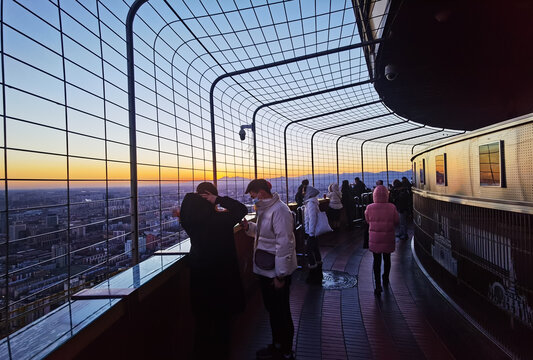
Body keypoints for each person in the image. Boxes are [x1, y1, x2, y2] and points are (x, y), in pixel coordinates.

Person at [179, 182, 248, 360]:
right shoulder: (220, 221)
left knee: (202, 324)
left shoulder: (189, 221)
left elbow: (187, 213)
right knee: (222, 324)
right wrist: (217, 199)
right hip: (222, 279)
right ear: (209, 195)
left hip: (200, 279)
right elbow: (241, 209)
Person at [241, 179, 297, 360]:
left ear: (261, 193)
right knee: (273, 310)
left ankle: (286, 349)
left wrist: (280, 275)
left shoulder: (280, 211)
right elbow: (265, 234)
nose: (253, 199)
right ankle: (277, 345)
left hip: (275, 272)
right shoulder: (267, 210)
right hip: (266, 269)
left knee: (281, 310)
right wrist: (249, 227)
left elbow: (284, 243)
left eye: (253, 196)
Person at [365, 185, 399, 296]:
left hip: (375, 238)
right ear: (386, 195)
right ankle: (385, 278)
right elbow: (396, 221)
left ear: (374, 195)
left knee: (376, 261)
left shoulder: (369, 207)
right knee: (387, 259)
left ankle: (378, 284)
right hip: (388, 236)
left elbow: (367, 220)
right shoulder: (392, 207)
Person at [302, 185, 323, 284]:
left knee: (309, 251)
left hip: (312, 232)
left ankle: (313, 274)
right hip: (314, 231)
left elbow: (312, 218)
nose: (302, 192)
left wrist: (310, 233)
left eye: (303, 191)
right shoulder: (313, 202)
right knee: (315, 249)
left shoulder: (310, 203)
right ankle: (319, 271)